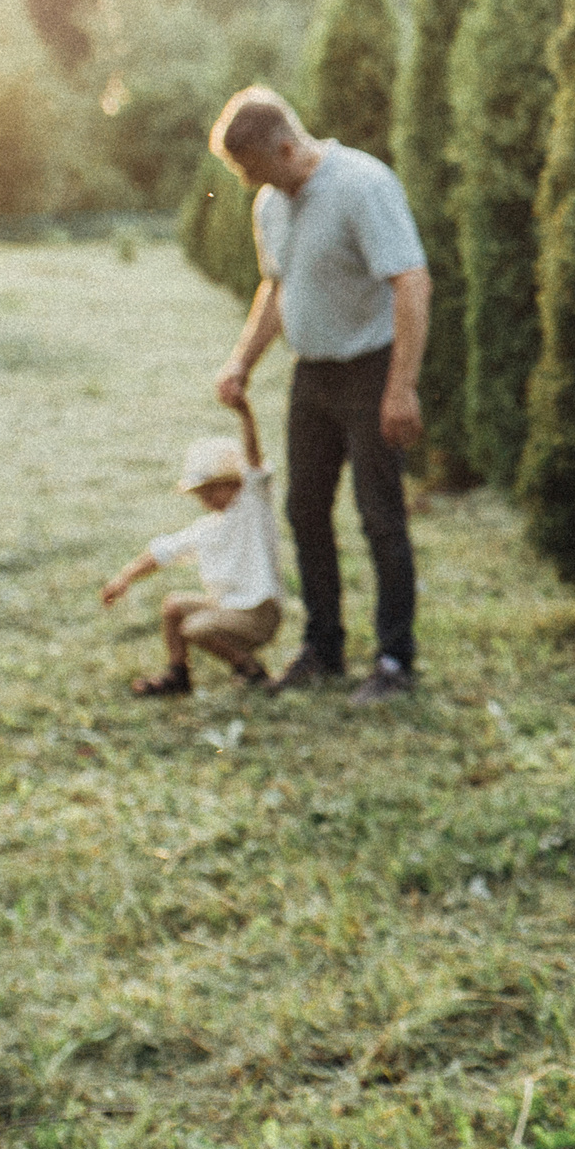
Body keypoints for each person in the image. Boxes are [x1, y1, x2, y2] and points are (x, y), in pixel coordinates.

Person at [207, 87, 432, 707]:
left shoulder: (362, 183)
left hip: (370, 370)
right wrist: (242, 362)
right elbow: (276, 289)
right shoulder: (271, 205)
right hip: (312, 377)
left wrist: (401, 388)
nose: (256, 185)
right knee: (305, 512)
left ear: (285, 146)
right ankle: (323, 648)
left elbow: (411, 282)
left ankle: (394, 658)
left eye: (256, 170)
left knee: (379, 516)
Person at [98, 398, 283, 696]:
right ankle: (178, 674)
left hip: (258, 612)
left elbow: (254, 461)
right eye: (200, 493)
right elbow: (162, 553)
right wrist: (125, 578)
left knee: (195, 627)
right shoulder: (208, 528)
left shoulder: (253, 508)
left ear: (236, 483)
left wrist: (245, 412)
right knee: (174, 607)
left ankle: (249, 668)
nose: (206, 498)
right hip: (227, 607)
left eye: (213, 489)